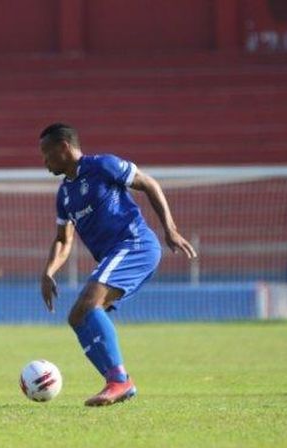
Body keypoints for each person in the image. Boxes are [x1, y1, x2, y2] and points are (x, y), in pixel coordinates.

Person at [39, 123, 196, 407]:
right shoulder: (64, 195)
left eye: (46, 154)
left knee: (89, 303)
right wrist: (49, 271)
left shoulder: (103, 166)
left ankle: (119, 380)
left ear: (63, 147)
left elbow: (149, 184)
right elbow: (63, 239)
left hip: (135, 244)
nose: (44, 161)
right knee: (77, 316)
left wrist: (170, 230)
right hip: (116, 254)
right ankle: (117, 381)